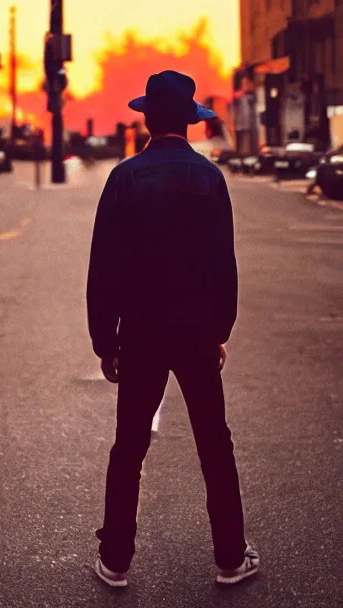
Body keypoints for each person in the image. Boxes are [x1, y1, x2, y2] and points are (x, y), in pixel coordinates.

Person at [87, 70, 259, 589]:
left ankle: (115, 559)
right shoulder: (210, 179)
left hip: (140, 331)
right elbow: (223, 264)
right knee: (214, 443)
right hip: (195, 331)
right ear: (189, 120)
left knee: (129, 447)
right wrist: (219, 330)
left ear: (146, 118)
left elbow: (104, 268)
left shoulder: (124, 178)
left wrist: (105, 341)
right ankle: (230, 557)